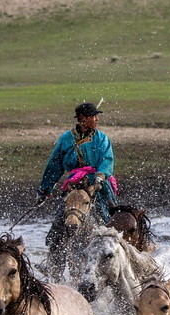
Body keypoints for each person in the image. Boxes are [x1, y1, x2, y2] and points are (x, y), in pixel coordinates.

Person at [39, 102, 117, 248]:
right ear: (82, 118)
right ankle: (53, 261)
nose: (96, 120)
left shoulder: (102, 138)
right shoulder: (66, 139)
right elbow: (54, 166)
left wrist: (100, 176)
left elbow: (107, 159)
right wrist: (45, 190)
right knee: (59, 222)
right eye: (93, 116)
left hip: (97, 184)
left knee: (107, 215)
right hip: (73, 186)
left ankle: (115, 249)